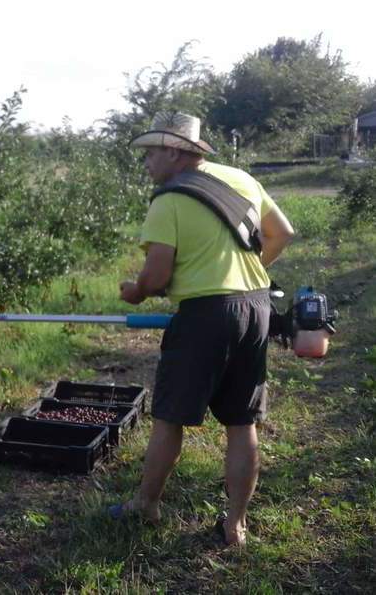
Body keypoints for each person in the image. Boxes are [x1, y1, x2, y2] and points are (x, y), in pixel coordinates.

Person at [111, 112, 294, 546]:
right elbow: (281, 233)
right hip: (256, 306)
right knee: (241, 421)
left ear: (174, 151)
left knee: (170, 416)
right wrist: (246, 275)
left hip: (205, 316)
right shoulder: (240, 179)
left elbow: (156, 278)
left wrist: (134, 292)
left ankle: (147, 505)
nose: (147, 164)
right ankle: (236, 525)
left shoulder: (168, 199)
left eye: (151, 153)